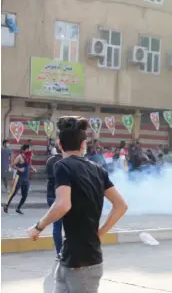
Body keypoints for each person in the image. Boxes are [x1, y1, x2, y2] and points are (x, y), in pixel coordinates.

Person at [26, 116, 128, 293]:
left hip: (81, 263)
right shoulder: (99, 170)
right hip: (72, 257)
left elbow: (63, 205)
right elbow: (121, 206)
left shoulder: (62, 166)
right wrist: (99, 233)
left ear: (59, 144)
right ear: (83, 144)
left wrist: (38, 227)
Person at [3, 144, 36, 214]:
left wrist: (33, 169)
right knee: (14, 192)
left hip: (26, 179)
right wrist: (19, 169)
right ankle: (6, 206)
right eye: (29, 148)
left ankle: (18, 208)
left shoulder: (29, 157)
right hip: (19, 177)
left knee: (25, 195)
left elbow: (29, 164)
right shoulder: (20, 156)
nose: (30, 150)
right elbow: (12, 165)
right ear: (26, 149)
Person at [45, 147, 64, 257]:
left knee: (56, 226)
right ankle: (67, 251)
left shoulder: (49, 161)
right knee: (69, 226)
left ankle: (59, 252)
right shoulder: (64, 162)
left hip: (50, 195)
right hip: (62, 196)